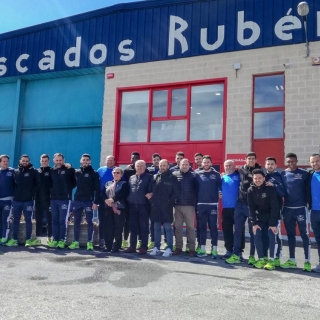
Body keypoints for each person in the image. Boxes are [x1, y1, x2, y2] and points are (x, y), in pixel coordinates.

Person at [226, 152, 260, 265]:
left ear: (255, 160)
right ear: (245, 160)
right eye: (249, 158)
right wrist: (223, 174)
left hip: (252, 205)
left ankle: (251, 256)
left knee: (252, 232)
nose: (251, 160)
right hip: (240, 205)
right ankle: (236, 255)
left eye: (253, 158)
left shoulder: (259, 171)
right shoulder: (240, 169)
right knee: (238, 231)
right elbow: (230, 173)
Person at [280, 152, 310, 271]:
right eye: (288, 162)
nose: (291, 163)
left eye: (293, 161)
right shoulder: (283, 174)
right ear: (285, 162)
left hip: (301, 209)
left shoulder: (304, 173)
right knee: (290, 235)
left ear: (296, 161)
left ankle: (307, 261)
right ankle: (292, 260)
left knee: (304, 235)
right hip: (287, 210)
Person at [247, 169, 279, 270]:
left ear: (264, 178)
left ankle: (272, 261)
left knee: (271, 236)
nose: (257, 180)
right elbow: (251, 208)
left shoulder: (270, 188)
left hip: (271, 217)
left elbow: (275, 207)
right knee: (257, 234)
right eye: (255, 178)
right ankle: (261, 259)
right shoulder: (250, 190)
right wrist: (254, 223)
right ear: (253, 179)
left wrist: (273, 223)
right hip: (259, 217)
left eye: (260, 178)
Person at [6, 155, 40, 247]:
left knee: (28, 220)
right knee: (15, 220)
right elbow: (12, 184)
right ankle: (14, 239)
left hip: (28, 201)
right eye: (23, 161)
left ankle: (29, 240)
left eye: (26, 161)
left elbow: (38, 184)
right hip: (16, 201)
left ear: (29, 161)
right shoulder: (15, 172)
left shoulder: (34, 172)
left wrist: (32, 193)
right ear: (20, 161)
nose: (25, 162)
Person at [68, 154, 100, 251]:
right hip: (77, 200)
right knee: (76, 221)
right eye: (84, 160)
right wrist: (68, 167)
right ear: (80, 161)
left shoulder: (94, 173)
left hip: (88, 201)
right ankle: (76, 242)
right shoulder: (77, 172)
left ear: (90, 161)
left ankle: (89, 242)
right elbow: (70, 182)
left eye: (87, 160)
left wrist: (95, 202)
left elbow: (97, 189)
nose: (85, 161)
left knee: (90, 222)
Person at [149, 159, 179, 257]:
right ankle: (157, 247)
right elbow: (150, 191)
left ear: (168, 166)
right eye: (161, 165)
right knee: (156, 228)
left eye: (164, 165)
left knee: (167, 228)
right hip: (156, 207)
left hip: (167, 207)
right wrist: (152, 201)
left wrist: (170, 202)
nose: (162, 167)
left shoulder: (172, 177)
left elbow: (176, 192)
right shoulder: (155, 177)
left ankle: (169, 248)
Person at [47, 153, 76, 249]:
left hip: (65, 199)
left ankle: (62, 240)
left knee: (62, 220)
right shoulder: (51, 171)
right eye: (57, 160)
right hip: (54, 199)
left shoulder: (69, 169)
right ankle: (55, 239)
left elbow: (74, 182)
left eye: (60, 160)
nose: (59, 162)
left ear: (63, 160)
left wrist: (66, 190)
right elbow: (50, 184)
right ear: (54, 161)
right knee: (54, 220)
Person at [124, 160, 153, 255]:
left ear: (145, 167)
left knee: (144, 227)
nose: (140, 168)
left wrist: (151, 194)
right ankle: (132, 246)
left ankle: (143, 247)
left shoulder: (149, 177)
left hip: (144, 206)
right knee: (133, 227)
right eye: (138, 166)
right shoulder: (131, 178)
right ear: (135, 167)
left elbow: (152, 190)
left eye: (141, 166)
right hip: (132, 205)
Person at [195, 155, 221, 258]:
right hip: (201, 204)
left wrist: (220, 192)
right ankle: (202, 249)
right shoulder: (197, 174)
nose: (206, 164)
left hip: (213, 205)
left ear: (211, 163)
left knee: (213, 227)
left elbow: (220, 187)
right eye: (204, 162)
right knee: (202, 227)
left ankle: (214, 249)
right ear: (202, 163)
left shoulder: (216, 174)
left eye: (208, 162)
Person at [172, 158, 197, 257]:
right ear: (179, 165)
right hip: (177, 205)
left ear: (189, 165)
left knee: (190, 228)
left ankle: (191, 249)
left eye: (186, 164)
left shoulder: (194, 176)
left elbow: (197, 189)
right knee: (177, 227)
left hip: (189, 205)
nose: (185, 166)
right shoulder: (174, 175)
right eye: (183, 164)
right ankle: (178, 247)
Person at [265, 157, 285, 266]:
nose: (270, 166)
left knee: (276, 234)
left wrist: (274, 186)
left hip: (276, 211)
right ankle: (269, 256)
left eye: (272, 164)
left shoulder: (279, 177)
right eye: (268, 164)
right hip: (264, 211)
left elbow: (283, 192)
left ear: (276, 165)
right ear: (265, 165)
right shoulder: (263, 176)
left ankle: (277, 257)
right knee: (267, 235)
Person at [102, 167, 129, 253]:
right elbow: (102, 193)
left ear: (121, 174)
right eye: (114, 173)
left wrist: (112, 199)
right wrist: (106, 200)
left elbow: (122, 194)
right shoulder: (108, 183)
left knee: (118, 228)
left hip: (119, 208)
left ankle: (116, 246)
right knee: (108, 227)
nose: (116, 174)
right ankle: (108, 246)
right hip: (108, 208)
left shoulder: (124, 184)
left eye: (118, 173)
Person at [220, 160, 242, 260]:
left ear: (234, 166)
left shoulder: (239, 177)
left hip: (238, 208)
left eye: (230, 165)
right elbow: (218, 188)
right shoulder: (222, 178)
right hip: (226, 208)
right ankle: (229, 250)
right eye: (226, 166)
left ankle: (239, 251)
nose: (228, 167)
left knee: (238, 231)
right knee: (227, 230)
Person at [97, 155, 117, 249]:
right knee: (102, 220)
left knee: (113, 222)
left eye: (112, 160)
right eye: (108, 160)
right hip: (102, 199)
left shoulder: (117, 171)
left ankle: (112, 241)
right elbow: (96, 185)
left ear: (114, 162)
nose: (110, 162)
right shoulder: (100, 170)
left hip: (114, 200)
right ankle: (102, 240)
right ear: (105, 161)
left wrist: (113, 199)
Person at [34, 154, 52, 245]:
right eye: (42, 161)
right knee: (38, 219)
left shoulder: (52, 171)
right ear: (40, 161)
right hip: (38, 199)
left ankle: (50, 238)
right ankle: (38, 238)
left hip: (49, 199)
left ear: (48, 161)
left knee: (49, 219)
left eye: (46, 161)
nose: (44, 162)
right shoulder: (36, 171)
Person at [308, 153, 320, 272]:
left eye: (317, 161)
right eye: (312, 162)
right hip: (314, 212)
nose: (314, 164)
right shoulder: (310, 174)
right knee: (318, 239)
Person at [147, 153, 161, 249]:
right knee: (152, 221)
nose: (156, 161)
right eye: (154, 159)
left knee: (164, 222)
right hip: (151, 200)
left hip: (162, 200)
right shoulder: (149, 171)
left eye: (157, 159)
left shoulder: (164, 170)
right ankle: (152, 240)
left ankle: (165, 241)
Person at [0, 155, 15, 245]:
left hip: (8, 200)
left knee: (5, 219)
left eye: (7, 161)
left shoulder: (12, 171)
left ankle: (4, 238)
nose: (5, 163)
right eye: (3, 161)